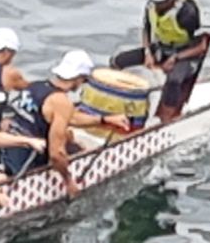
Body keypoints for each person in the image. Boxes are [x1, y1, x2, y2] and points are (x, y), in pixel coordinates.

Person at [9, 50, 132, 194]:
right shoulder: (61, 102)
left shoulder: (35, 86)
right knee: (76, 148)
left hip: (10, 149)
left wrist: (104, 120)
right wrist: (68, 181)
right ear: (78, 78)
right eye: (84, 80)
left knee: (70, 139)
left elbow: (71, 117)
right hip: (27, 162)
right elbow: (56, 154)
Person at [110, 0, 210, 122]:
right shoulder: (151, 5)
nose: (157, 4)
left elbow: (201, 46)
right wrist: (147, 53)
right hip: (161, 49)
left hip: (186, 55)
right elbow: (146, 29)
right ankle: (115, 102)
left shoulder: (187, 13)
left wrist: (176, 58)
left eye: (161, 1)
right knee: (118, 61)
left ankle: (166, 118)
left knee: (173, 81)